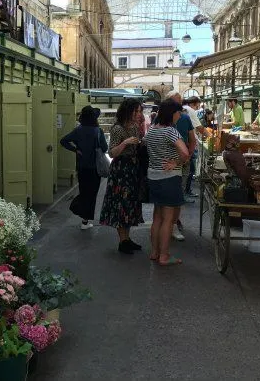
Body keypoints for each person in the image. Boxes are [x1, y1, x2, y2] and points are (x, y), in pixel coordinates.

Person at [144, 100, 190, 266]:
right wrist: (176, 163)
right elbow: (185, 153)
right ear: (172, 113)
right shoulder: (171, 131)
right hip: (169, 179)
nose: (180, 116)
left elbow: (144, 145)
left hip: (153, 178)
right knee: (168, 219)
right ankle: (164, 256)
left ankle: (155, 252)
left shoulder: (152, 131)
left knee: (157, 217)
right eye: (178, 113)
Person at [99, 99, 144, 254]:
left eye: (140, 111)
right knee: (120, 204)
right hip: (121, 170)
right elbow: (112, 153)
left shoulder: (135, 127)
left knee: (130, 204)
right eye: (136, 111)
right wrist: (125, 143)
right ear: (128, 111)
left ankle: (127, 239)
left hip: (132, 169)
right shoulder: (118, 129)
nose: (139, 114)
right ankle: (122, 241)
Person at [60, 106, 108, 230]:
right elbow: (104, 148)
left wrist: (76, 150)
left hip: (81, 167)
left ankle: (83, 217)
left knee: (84, 191)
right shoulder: (98, 131)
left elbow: (63, 141)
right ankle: (84, 220)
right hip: (94, 168)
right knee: (92, 194)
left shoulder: (78, 130)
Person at [165, 91, 196, 239]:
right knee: (166, 195)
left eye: (179, 102)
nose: (177, 106)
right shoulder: (162, 119)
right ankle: (166, 224)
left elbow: (192, 139)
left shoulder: (185, 118)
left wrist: (188, 155)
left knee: (178, 193)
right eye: (174, 102)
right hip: (165, 163)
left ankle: (174, 223)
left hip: (182, 162)